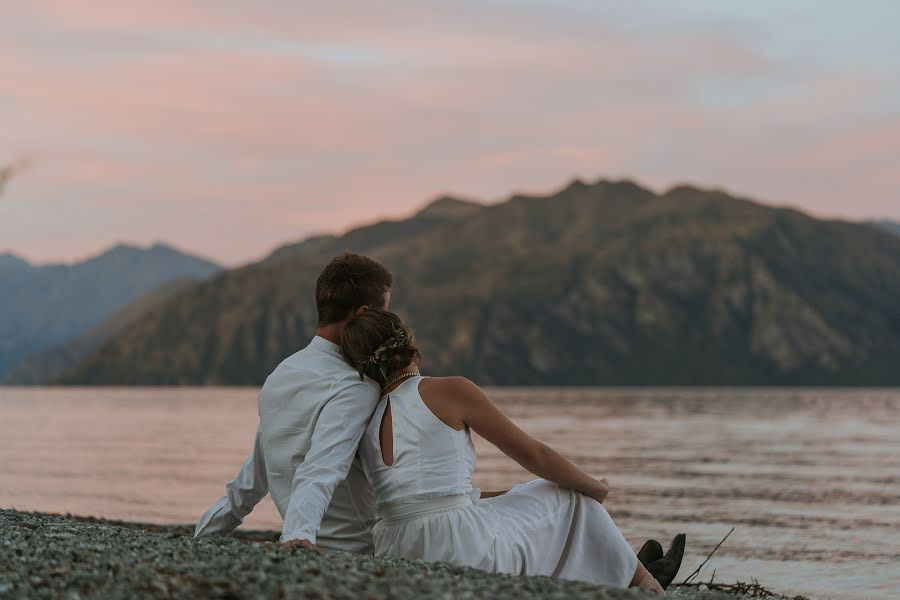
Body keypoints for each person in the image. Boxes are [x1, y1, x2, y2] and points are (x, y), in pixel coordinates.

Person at [339, 309, 682, 594]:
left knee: (535, 495)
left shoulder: (365, 420)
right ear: (409, 343)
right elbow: (535, 456)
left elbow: (420, 496)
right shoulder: (448, 390)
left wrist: (515, 493)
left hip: (396, 547)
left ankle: (632, 570)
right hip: (460, 547)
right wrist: (595, 488)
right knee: (573, 498)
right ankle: (651, 586)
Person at [193, 252, 393, 551]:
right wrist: (298, 536)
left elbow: (253, 477)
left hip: (307, 537)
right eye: (384, 313)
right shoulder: (355, 385)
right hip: (358, 546)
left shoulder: (281, 375)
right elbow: (324, 466)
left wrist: (202, 537)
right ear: (362, 314)